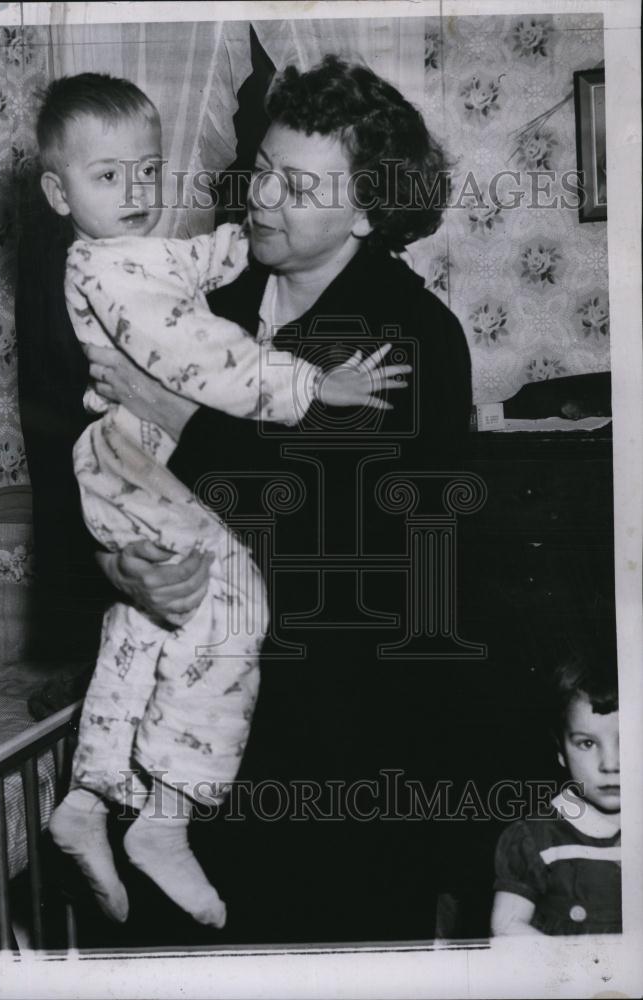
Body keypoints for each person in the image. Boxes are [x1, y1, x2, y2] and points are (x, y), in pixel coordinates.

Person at [84, 55, 474, 945]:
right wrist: (127, 567)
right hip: (185, 697)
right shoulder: (196, 307)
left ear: (367, 210)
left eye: (297, 184)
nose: (259, 196)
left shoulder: (406, 337)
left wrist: (174, 412)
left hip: (339, 721)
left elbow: (331, 533)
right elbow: (113, 473)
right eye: (261, 167)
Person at [491, 642, 621, 936]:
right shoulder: (538, 838)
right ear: (561, 751)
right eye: (587, 743)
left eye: (630, 739)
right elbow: (507, 927)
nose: (611, 764)